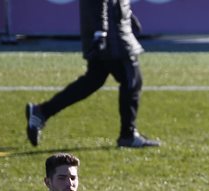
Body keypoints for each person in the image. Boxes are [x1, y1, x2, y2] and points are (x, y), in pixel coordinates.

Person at [25, 0, 160, 149]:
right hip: (113, 34)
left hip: (111, 28)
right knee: (131, 81)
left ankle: (42, 112)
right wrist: (101, 31)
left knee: (93, 80)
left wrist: (127, 16)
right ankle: (128, 135)